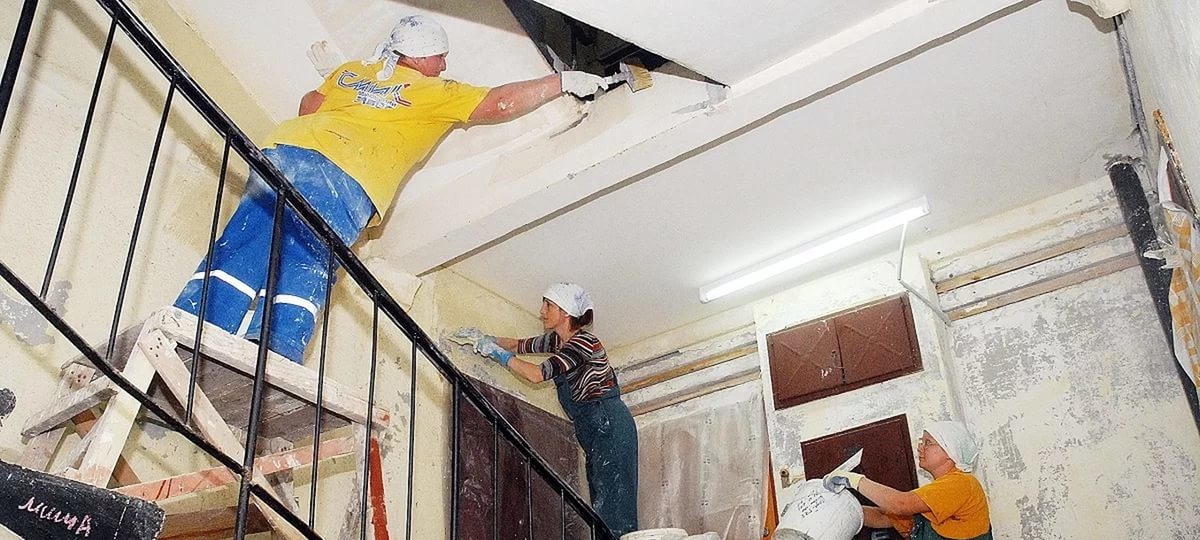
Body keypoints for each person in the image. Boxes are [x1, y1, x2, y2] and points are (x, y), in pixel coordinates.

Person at [173, 15, 608, 363]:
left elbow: (309, 104)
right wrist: (562, 83)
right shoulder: (435, 90)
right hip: (346, 177)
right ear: (421, 58)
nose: (444, 66)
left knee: (246, 242)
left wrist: (356, 107)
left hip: (284, 155)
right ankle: (273, 352)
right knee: (307, 260)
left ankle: (191, 330)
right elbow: (501, 102)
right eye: (440, 58)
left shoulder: (351, 71)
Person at [454, 283, 639, 536]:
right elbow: (519, 345)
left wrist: (498, 355)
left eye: (548, 305)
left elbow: (537, 374)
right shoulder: (557, 341)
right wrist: (486, 339)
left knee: (614, 502)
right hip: (593, 428)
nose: (541, 311)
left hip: (608, 422)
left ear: (565, 312)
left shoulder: (584, 343)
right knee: (602, 500)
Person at [823, 421, 992, 540]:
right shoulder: (934, 496)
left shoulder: (963, 484)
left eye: (928, 443)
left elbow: (901, 504)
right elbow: (883, 516)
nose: (920, 447)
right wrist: (839, 507)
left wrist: (854, 480)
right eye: (922, 442)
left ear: (951, 452)